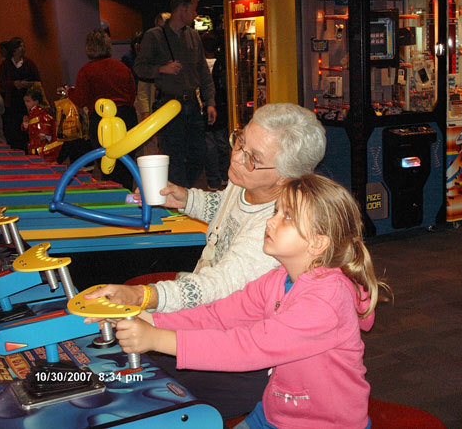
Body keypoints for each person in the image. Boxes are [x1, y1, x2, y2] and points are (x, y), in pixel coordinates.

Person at [85, 102, 327, 418]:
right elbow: (224, 207)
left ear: (286, 179)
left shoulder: (276, 232)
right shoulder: (246, 182)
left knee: (142, 394)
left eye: (253, 158)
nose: (237, 157)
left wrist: (145, 298)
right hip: (206, 315)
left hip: (239, 356)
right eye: (241, 142)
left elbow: (217, 289)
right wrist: (186, 199)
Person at [92, 174, 391, 428]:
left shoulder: (326, 299)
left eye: (286, 217)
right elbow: (220, 315)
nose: (271, 222)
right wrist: (151, 319)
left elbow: (251, 346)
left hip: (325, 423)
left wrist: (159, 339)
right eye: (276, 211)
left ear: (317, 243)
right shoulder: (278, 278)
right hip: (277, 409)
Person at [134, 0, 216, 188]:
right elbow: (139, 68)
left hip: (192, 104)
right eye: (193, 10)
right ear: (182, 9)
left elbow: (203, 71)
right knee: (174, 156)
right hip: (168, 104)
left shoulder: (194, 36)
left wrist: (210, 101)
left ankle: (182, 191)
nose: (196, 15)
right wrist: (162, 69)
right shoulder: (154, 36)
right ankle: (181, 199)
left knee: (199, 154)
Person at [68, 29, 137, 190]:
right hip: (126, 116)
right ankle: (128, 196)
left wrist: (69, 92)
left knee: (108, 166)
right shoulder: (122, 67)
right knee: (126, 164)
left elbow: (80, 99)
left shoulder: (86, 71)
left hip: (102, 121)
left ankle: (114, 200)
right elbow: (131, 94)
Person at [0, 37, 41, 151]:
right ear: (14, 49)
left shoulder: (28, 63)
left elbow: (38, 81)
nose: (22, 49)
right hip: (11, 102)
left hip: (27, 101)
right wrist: (14, 84)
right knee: (13, 130)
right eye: (19, 46)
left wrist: (27, 84)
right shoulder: (5, 65)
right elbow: (1, 83)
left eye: (23, 46)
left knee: (28, 129)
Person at [201, 31, 229, 191]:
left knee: (216, 145)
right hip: (213, 108)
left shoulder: (222, 63)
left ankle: (220, 177)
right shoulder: (220, 63)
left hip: (218, 109)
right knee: (216, 146)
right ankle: (216, 178)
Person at [21, 88, 61, 162]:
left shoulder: (40, 113)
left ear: (36, 102)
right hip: (38, 146)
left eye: (28, 101)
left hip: (43, 147)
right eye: (25, 101)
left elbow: (45, 127)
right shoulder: (32, 113)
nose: (26, 103)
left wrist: (44, 134)